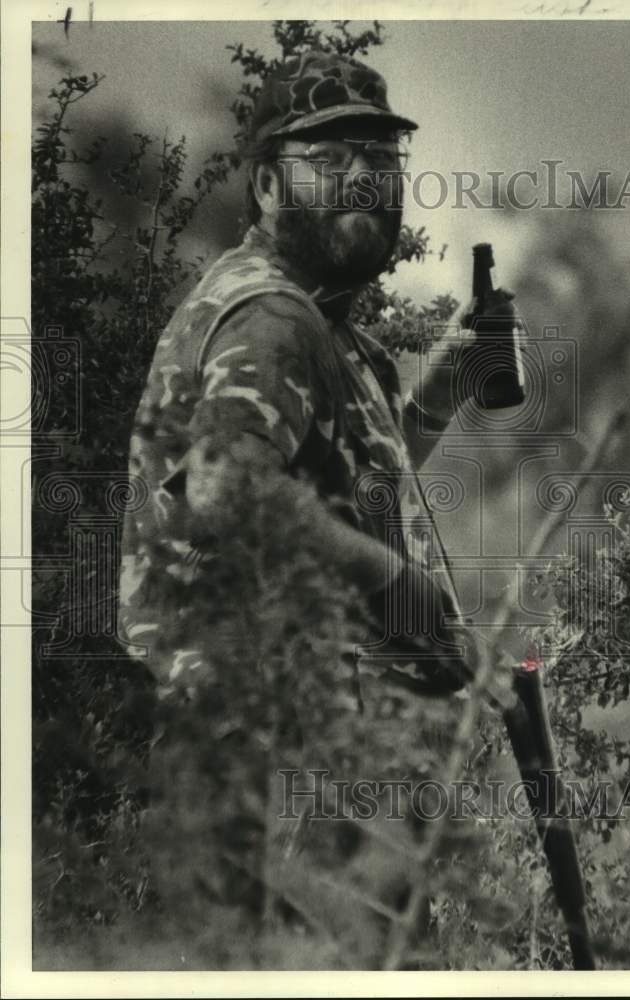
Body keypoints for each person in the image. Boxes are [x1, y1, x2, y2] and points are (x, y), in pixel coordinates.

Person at [118, 50, 524, 957]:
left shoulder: (319, 325)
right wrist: (398, 584)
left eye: (383, 164)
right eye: (333, 160)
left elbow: (344, 486)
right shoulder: (270, 318)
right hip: (288, 762)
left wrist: (441, 389)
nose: (366, 183)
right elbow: (232, 492)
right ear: (266, 183)